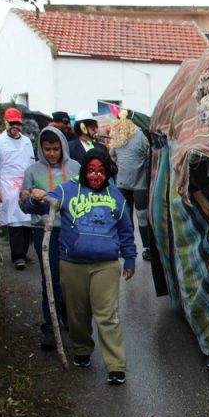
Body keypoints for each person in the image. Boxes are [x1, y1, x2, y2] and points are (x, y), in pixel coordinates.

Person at [23, 147, 136, 385]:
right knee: (77, 313)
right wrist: (32, 198)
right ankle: (82, 350)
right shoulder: (67, 190)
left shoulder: (116, 196)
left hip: (106, 265)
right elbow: (39, 207)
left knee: (107, 315)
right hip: (72, 263)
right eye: (92, 171)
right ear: (85, 170)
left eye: (101, 171)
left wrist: (130, 258)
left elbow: (126, 231)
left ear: (108, 172)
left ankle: (116, 365)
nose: (96, 176)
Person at [19, 127, 81, 350]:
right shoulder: (33, 172)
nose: (52, 153)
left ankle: (72, 321)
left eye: (56, 149)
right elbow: (24, 205)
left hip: (72, 231)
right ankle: (49, 326)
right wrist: (33, 201)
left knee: (72, 279)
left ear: (62, 146)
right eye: (48, 149)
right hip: (45, 232)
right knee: (50, 278)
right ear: (41, 148)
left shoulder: (75, 168)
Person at [0, 107, 35, 269]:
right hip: (7, 185)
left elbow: (31, 163)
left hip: (25, 184)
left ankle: (24, 252)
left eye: (17, 124)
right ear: (5, 122)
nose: (15, 127)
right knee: (14, 222)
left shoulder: (26, 141)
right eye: (11, 123)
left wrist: (33, 184)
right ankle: (17, 256)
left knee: (27, 221)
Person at [109, 113, 152, 261]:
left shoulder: (137, 136)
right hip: (132, 183)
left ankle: (142, 247)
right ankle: (135, 247)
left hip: (133, 183)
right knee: (132, 217)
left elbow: (112, 156)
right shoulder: (126, 136)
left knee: (134, 216)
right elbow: (148, 156)